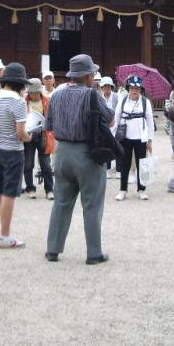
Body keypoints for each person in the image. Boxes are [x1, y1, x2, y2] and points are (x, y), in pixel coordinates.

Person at [45, 54, 113, 264]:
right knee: (92, 204)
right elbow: (110, 119)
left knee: (61, 202)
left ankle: (53, 250)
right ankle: (93, 253)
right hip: (87, 154)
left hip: (62, 152)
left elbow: (49, 126)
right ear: (88, 75)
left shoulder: (56, 95)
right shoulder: (92, 95)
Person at [0, 62, 31, 248]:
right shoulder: (18, 101)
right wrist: (29, 138)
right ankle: (6, 236)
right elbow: (20, 132)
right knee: (9, 193)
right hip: (13, 151)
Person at [113, 75, 155, 201]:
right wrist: (114, 136)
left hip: (141, 137)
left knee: (142, 164)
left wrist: (150, 140)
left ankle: (141, 189)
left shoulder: (145, 102)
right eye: (132, 88)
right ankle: (123, 190)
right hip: (125, 136)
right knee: (124, 164)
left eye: (137, 88)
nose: (135, 90)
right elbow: (116, 117)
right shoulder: (123, 100)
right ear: (128, 88)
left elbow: (150, 121)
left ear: (141, 89)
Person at [23, 78, 54, 200]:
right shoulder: (23, 102)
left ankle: (49, 189)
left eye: (36, 93)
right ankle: (30, 188)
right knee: (28, 163)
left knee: (46, 165)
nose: (33, 95)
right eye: (31, 93)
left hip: (43, 135)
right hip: (28, 135)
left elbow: (52, 118)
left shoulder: (47, 101)